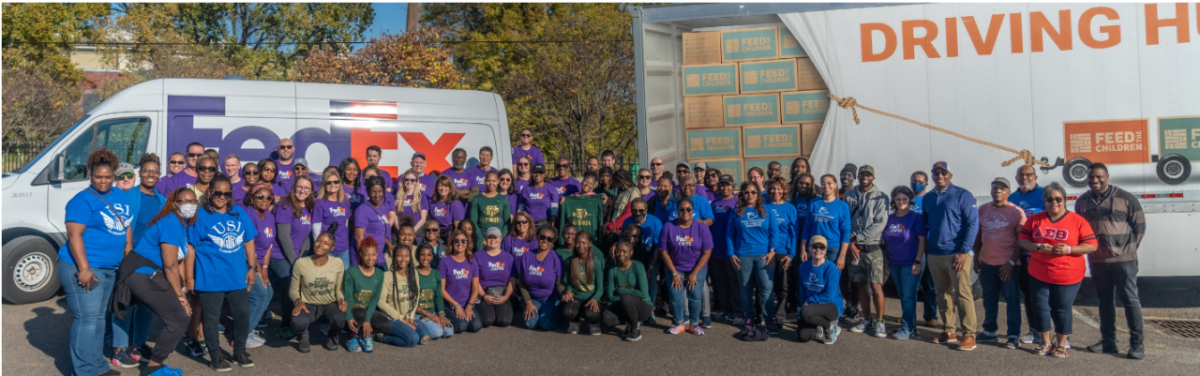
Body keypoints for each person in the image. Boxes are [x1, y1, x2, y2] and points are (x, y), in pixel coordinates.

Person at [58, 148, 133, 376]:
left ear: (114, 176)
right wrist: (84, 269)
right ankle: (83, 371)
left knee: (99, 318)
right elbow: (74, 236)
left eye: (107, 177)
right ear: (90, 175)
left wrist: (127, 247)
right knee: (87, 319)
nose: (103, 181)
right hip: (84, 266)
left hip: (109, 267)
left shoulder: (121, 195)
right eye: (98, 176)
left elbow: (125, 223)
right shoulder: (81, 200)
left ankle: (97, 367)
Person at [117, 188, 195, 376]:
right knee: (179, 318)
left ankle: (157, 365)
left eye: (193, 201)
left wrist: (182, 292)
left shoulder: (181, 224)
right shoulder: (171, 223)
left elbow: (178, 262)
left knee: (179, 316)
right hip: (143, 274)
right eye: (184, 201)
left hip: (151, 274)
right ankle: (152, 369)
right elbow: (170, 265)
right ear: (174, 204)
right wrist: (180, 296)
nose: (189, 205)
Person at [1018, 182, 1098, 358]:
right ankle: (1045, 342)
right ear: (1044, 201)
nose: (1054, 202)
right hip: (1039, 273)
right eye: (1049, 199)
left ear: (1065, 200)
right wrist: (1038, 247)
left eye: (1058, 199)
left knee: (1062, 308)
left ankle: (1061, 344)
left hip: (1067, 275)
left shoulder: (1077, 221)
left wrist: (1069, 249)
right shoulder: (1035, 219)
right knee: (1040, 307)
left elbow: (1092, 246)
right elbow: (1023, 241)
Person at [1076, 163, 1146, 359]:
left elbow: (1139, 227)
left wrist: (1127, 250)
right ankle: (1109, 342)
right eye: (1091, 178)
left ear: (1107, 176)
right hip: (1097, 261)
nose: (1095, 181)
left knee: (1130, 300)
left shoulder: (1126, 198)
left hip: (1124, 261)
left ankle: (1137, 345)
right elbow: (1081, 230)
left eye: (1099, 177)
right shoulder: (1082, 201)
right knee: (1105, 301)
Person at [190, 174, 259, 371]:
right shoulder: (199, 215)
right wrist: (188, 277)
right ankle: (216, 357)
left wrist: (252, 267)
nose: (222, 196)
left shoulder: (238, 212)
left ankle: (239, 352)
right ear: (209, 192)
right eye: (217, 193)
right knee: (211, 318)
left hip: (237, 275)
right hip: (210, 277)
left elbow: (248, 240)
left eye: (226, 193)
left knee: (242, 315)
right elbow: (191, 248)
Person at [923, 161, 980, 351]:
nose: (940, 176)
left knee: (963, 294)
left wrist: (964, 251)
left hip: (957, 253)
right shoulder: (928, 198)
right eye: (936, 173)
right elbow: (926, 225)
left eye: (943, 173)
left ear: (950, 175)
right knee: (942, 293)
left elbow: (973, 224)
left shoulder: (962, 195)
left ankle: (969, 335)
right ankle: (949, 330)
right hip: (935, 253)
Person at [972, 177, 1027, 347]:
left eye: (1002, 189)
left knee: (1011, 300)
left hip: (1008, 266)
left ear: (1008, 192)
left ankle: (1013, 335)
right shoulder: (983, 210)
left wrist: (1011, 262)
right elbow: (978, 236)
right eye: (995, 188)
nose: (998, 191)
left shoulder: (1016, 212)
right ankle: (989, 331)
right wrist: (976, 257)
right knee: (989, 299)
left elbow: (1021, 241)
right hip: (987, 264)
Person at [726, 181, 779, 332]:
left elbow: (774, 232)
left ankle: (769, 320)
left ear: (758, 194)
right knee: (745, 289)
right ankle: (748, 318)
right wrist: (731, 254)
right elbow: (729, 235)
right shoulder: (736, 211)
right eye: (747, 192)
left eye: (753, 192)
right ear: (742, 194)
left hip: (764, 256)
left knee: (767, 289)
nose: (750, 195)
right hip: (743, 256)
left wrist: (772, 251)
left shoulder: (766, 209)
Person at [844, 165, 890, 338]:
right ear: (858, 176)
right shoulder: (849, 196)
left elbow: (879, 224)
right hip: (854, 248)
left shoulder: (881, 197)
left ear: (873, 178)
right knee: (861, 285)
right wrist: (849, 243)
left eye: (868, 175)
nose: (865, 177)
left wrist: (857, 236)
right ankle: (867, 319)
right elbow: (846, 219)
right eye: (862, 175)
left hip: (872, 247)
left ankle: (879, 321)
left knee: (876, 285)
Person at [660, 198, 713, 336]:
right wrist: (673, 273)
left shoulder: (702, 227)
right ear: (677, 211)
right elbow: (663, 251)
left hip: (697, 267)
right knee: (676, 296)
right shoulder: (668, 226)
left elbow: (707, 252)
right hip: (675, 267)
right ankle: (678, 323)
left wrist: (694, 273)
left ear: (693, 211)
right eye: (681, 209)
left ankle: (694, 324)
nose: (685, 212)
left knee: (695, 295)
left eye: (688, 209)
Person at [288, 230, 346, 353]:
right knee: (297, 321)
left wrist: (341, 300)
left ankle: (333, 334)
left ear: (332, 247)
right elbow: (293, 289)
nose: (320, 245)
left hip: (329, 304)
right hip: (308, 304)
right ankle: (303, 335)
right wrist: (298, 301)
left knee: (340, 318)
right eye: (318, 241)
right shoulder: (300, 263)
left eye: (326, 243)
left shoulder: (337, 263)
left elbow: (339, 288)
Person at [882, 186, 926, 340]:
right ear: (893, 200)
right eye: (898, 199)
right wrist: (886, 261)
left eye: (904, 199)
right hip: (894, 262)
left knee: (909, 297)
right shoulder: (890, 217)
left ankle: (906, 329)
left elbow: (922, 241)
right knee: (902, 295)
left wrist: (918, 261)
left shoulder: (915, 217)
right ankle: (912, 327)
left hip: (911, 263)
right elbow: (887, 242)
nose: (901, 202)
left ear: (909, 200)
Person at [274, 175, 314, 340]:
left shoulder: (309, 207)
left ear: (311, 191)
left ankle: (298, 322)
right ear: (293, 187)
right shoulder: (285, 205)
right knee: (292, 284)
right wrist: (295, 262)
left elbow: (307, 236)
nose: (302, 190)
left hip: (296, 255)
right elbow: (283, 237)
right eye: (299, 187)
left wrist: (303, 258)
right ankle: (285, 325)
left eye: (306, 188)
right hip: (279, 255)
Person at [1009, 164, 1046, 344]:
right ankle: (1034, 330)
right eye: (1022, 175)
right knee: (1029, 295)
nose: (1025, 178)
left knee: (1047, 296)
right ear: (1016, 178)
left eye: (1029, 175)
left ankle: (1053, 332)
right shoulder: (1012, 197)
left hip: (1043, 254)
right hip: (1023, 255)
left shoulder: (1045, 194)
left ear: (1035, 177)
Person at [244, 184, 277, 348]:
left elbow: (269, 245)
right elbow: (248, 246)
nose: (265, 200)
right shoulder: (248, 215)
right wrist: (257, 269)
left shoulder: (269, 216)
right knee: (260, 294)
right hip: (247, 262)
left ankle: (248, 328)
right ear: (252, 198)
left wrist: (264, 269)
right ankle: (243, 334)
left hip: (260, 264)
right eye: (260, 197)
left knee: (268, 291)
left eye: (268, 197)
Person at [343, 237, 389, 353]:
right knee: (360, 313)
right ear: (361, 255)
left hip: (367, 312)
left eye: (373, 254)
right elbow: (347, 297)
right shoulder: (351, 272)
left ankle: (365, 335)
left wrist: (367, 320)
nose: (370, 258)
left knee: (385, 324)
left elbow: (374, 300)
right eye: (367, 254)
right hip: (353, 312)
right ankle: (352, 338)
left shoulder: (379, 274)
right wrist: (348, 317)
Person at [795, 236, 844, 345]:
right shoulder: (804, 266)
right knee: (803, 337)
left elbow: (829, 295)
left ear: (826, 250)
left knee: (807, 312)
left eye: (822, 247)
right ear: (809, 248)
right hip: (812, 306)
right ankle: (818, 324)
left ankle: (830, 326)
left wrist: (810, 302)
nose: (818, 250)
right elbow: (802, 290)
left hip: (831, 305)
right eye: (815, 246)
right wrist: (803, 305)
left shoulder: (831, 268)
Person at [765, 177, 798, 333]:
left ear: (784, 191)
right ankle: (766, 316)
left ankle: (780, 317)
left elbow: (794, 233)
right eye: (772, 188)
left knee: (783, 287)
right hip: (766, 253)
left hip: (784, 252)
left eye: (779, 189)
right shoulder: (763, 207)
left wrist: (791, 254)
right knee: (766, 287)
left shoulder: (790, 208)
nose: (775, 192)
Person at [622, 198, 664, 316]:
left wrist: (651, 267)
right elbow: (623, 242)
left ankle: (650, 310)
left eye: (641, 210)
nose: (638, 214)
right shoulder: (627, 221)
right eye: (634, 211)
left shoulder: (655, 222)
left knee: (650, 278)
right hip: (633, 257)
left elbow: (658, 247)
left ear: (646, 210)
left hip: (651, 256)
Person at [602, 242, 652, 341]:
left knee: (626, 297)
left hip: (643, 306)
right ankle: (629, 324)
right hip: (624, 303)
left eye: (624, 251)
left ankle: (635, 329)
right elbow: (611, 296)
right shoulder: (613, 270)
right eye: (618, 251)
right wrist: (624, 302)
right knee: (606, 317)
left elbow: (643, 293)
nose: (621, 254)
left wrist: (621, 290)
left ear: (631, 252)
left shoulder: (638, 266)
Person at [377, 244, 425, 347]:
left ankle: (404, 330)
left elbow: (416, 297)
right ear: (394, 257)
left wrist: (410, 317)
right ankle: (382, 337)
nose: (403, 259)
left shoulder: (414, 274)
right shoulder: (387, 276)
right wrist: (401, 319)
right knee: (413, 340)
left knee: (425, 337)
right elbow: (380, 302)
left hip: (408, 315)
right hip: (392, 317)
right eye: (399, 255)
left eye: (406, 256)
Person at [709, 177, 742, 323]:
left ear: (733, 187)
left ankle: (737, 312)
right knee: (721, 282)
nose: (725, 188)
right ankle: (725, 310)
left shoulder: (738, 202)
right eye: (722, 185)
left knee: (734, 282)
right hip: (716, 249)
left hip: (732, 250)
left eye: (728, 186)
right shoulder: (714, 203)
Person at [518, 227, 564, 331]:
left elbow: (559, 284)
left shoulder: (556, 258)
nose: (545, 240)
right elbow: (521, 282)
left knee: (545, 325)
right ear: (538, 237)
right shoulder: (526, 256)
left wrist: (564, 296)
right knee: (530, 324)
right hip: (532, 298)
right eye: (542, 237)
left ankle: (558, 316)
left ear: (553, 241)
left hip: (550, 299)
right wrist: (528, 302)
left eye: (549, 239)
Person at [801, 175, 851, 270]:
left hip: (833, 249)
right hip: (815, 247)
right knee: (816, 280)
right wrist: (803, 249)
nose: (826, 186)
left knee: (831, 280)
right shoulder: (813, 203)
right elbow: (807, 227)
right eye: (823, 183)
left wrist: (842, 256)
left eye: (829, 183)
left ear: (835, 185)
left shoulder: (842, 206)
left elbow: (846, 232)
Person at [910, 170, 940, 328]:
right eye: (914, 180)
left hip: (928, 247)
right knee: (911, 285)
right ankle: (909, 315)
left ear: (926, 184)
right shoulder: (907, 200)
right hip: (910, 248)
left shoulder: (929, 200)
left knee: (929, 284)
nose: (916, 183)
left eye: (920, 181)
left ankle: (930, 316)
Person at [560, 232, 606, 335]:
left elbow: (600, 287)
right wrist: (568, 291)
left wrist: (595, 299)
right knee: (568, 312)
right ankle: (575, 322)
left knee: (592, 314)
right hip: (577, 296)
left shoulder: (596, 262)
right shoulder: (570, 261)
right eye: (578, 242)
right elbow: (569, 283)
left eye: (584, 243)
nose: (580, 246)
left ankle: (594, 324)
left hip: (591, 296)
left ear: (589, 244)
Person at [439, 230, 483, 333]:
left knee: (476, 326)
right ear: (452, 242)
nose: (460, 244)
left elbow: (475, 289)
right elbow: (441, 290)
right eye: (457, 241)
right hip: (450, 304)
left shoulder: (472, 262)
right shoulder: (444, 262)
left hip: (466, 303)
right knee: (461, 326)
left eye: (464, 241)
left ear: (468, 243)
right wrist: (456, 305)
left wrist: (470, 305)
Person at [475, 228, 517, 328]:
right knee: (487, 321)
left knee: (504, 321)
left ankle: (500, 309)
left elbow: (512, 280)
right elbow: (474, 279)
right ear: (485, 239)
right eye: (490, 237)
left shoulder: (508, 257)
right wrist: (484, 296)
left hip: (501, 294)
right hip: (483, 294)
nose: (493, 239)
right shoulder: (477, 256)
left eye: (495, 237)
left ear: (500, 239)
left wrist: (506, 297)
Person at [313, 170, 353, 268]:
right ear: (324, 184)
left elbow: (345, 225)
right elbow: (316, 228)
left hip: (343, 249)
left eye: (336, 182)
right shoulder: (320, 202)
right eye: (329, 182)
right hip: (327, 249)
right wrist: (320, 247)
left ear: (340, 183)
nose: (332, 185)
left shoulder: (344, 202)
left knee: (343, 279)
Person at [414, 244, 455, 340]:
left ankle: (429, 325)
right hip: (418, 313)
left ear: (432, 256)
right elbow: (410, 302)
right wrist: (429, 315)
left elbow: (439, 296)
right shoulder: (412, 273)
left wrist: (441, 314)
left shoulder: (436, 273)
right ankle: (418, 329)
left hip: (432, 311)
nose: (425, 258)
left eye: (429, 255)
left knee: (449, 330)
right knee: (437, 332)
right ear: (418, 256)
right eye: (422, 254)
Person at [355, 176, 396, 270]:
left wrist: (389, 245)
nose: (377, 195)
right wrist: (364, 261)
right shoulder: (363, 209)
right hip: (369, 258)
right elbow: (359, 238)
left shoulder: (384, 207)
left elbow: (379, 233)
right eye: (373, 191)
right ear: (368, 192)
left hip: (380, 256)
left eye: (380, 191)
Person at [469, 171, 511, 247]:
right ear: (485, 181)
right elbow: (473, 222)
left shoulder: (503, 199)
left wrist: (501, 237)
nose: (491, 183)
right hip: (482, 238)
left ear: (498, 181)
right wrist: (481, 238)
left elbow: (507, 222)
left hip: (497, 239)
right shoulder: (477, 199)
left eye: (494, 181)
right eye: (488, 181)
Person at [395, 168, 430, 234]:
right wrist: (400, 231)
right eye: (407, 180)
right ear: (403, 180)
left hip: (416, 233)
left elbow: (423, 219)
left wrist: (411, 232)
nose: (409, 182)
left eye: (412, 180)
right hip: (400, 232)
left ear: (416, 182)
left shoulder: (422, 197)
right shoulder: (398, 196)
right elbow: (395, 216)